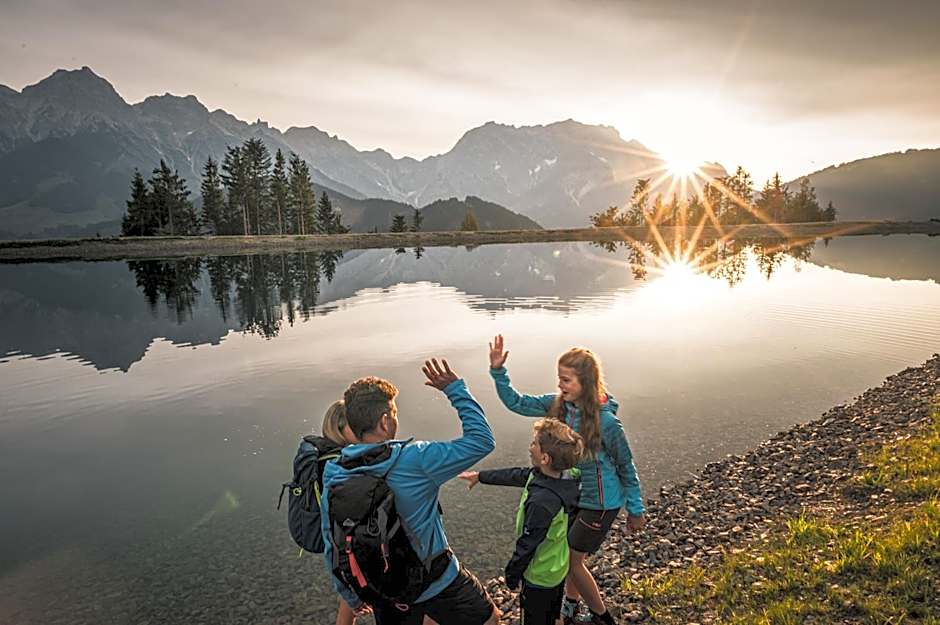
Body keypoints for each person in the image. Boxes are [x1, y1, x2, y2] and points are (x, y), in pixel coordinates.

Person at [320, 358, 500, 625]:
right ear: (384, 422)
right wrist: (456, 390)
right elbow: (482, 441)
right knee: (491, 619)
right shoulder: (415, 459)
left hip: (384, 591)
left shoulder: (335, 472)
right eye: (393, 414)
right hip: (439, 583)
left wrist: (353, 596)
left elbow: (331, 542)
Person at [487, 335, 645, 625]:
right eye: (559, 379)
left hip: (600, 502)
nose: (560, 385)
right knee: (571, 557)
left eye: (566, 380)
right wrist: (498, 371)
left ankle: (601, 617)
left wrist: (636, 509)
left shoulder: (606, 423)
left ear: (586, 382)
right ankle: (570, 610)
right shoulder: (558, 406)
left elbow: (625, 464)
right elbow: (517, 403)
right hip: (571, 495)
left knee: (571, 562)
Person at [459, 418, 584, 625]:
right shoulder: (566, 478)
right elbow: (517, 475)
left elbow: (528, 543)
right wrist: (481, 476)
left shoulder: (542, 502)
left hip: (539, 574)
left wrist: (512, 574)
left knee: (534, 617)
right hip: (558, 566)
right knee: (551, 614)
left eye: (534, 443)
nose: (529, 447)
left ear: (544, 458)